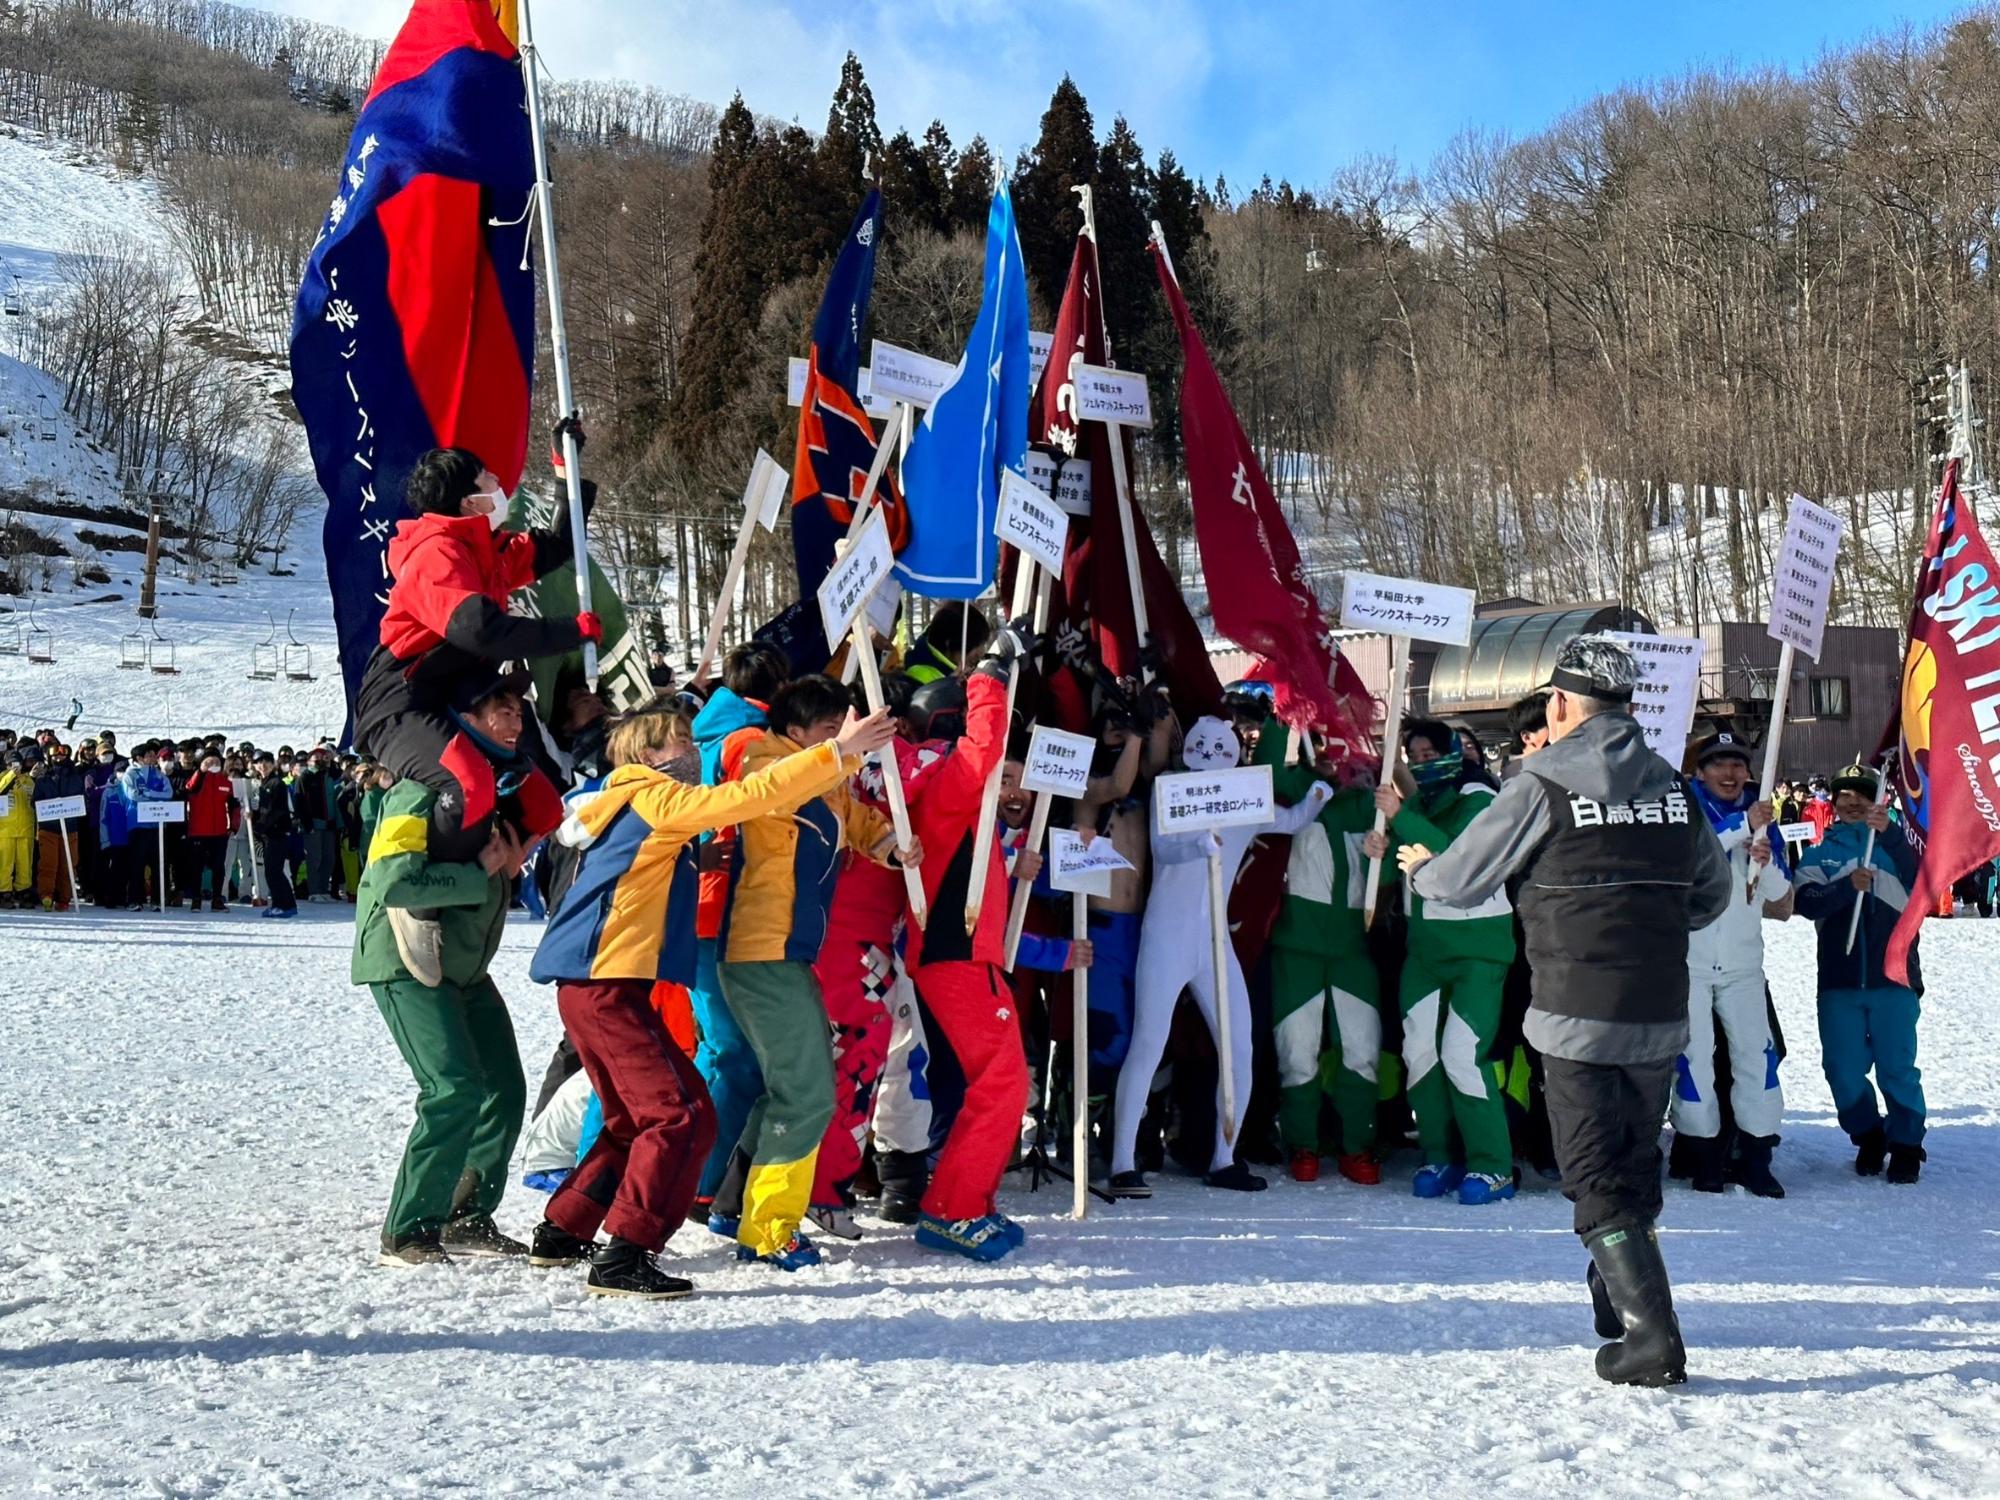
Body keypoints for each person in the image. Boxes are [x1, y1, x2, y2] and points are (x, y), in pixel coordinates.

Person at [1397, 634, 1730, 1387]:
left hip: (1575, 1011)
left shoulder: (1540, 783)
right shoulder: (1673, 786)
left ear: (1560, 703)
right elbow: (1709, 896)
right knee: (1634, 1162)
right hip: (1658, 1009)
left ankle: (1653, 1341)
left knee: (1591, 1174)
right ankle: (1616, 1301)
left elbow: (1458, 880)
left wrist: (1422, 869)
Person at [526, 697, 899, 1297]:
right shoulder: (653, 794)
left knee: (635, 1118)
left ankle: (565, 1230)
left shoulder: (626, 806)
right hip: (606, 988)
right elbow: (749, 797)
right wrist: (837, 753)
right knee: (680, 1115)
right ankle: (626, 1253)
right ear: (648, 754)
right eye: (680, 742)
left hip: (599, 988)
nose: (693, 752)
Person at [708, 675, 918, 1269]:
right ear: (796, 730)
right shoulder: (764, 761)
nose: (840, 740)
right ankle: (769, 1228)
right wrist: (840, 750)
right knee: (808, 1095)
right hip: (761, 949)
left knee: (791, 1086)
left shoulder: (822, 777)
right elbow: (779, 791)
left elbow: (852, 817)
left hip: (787, 952)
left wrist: (891, 845)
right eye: (828, 728)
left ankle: (735, 1206)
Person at [353, 672, 544, 1268]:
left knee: (504, 1091)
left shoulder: (492, 793)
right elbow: (393, 882)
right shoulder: (419, 790)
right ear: (464, 719)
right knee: (453, 1088)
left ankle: (466, 1214)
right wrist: (480, 874)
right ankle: (409, 1228)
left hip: (463, 967)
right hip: (405, 961)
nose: (514, 722)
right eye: (499, 710)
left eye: (518, 712)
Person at [352, 432, 600, 862]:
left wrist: (567, 469)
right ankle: (441, 886)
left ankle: (504, 875)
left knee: (543, 805)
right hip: (403, 702)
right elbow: (481, 631)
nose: (498, 483)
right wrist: (570, 632)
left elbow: (558, 545)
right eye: (488, 480)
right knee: (468, 783)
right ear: (469, 501)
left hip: (459, 694)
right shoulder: (436, 553)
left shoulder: (485, 550)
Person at [1111, 716, 1332, 1197]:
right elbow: (1164, 850)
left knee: (1240, 1046)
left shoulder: (1244, 797)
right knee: (1149, 1042)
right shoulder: (1173, 789)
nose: (1212, 751)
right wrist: (1196, 843)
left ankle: (1224, 1156)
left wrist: (1318, 795)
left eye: (1222, 745)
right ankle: (1123, 1160)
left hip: (1214, 941)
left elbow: (1290, 821)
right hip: (1166, 936)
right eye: (1204, 744)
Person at [896, 621, 1045, 1259]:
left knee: (1001, 1079)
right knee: (1004, 1080)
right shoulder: (946, 783)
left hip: (965, 949)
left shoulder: (950, 793)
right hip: (954, 951)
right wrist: (990, 674)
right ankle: (952, 1208)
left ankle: (963, 1200)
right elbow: (984, 749)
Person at [1369, 718, 1518, 1204]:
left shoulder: (1482, 799)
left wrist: (1401, 818)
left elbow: (1458, 854)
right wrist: (1381, 845)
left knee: (1461, 1053)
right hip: (1426, 952)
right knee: (1420, 1055)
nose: (1423, 764)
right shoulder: (1421, 802)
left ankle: (1492, 1164)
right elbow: (1407, 849)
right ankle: (1439, 1153)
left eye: (1431, 754)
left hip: (1478, 949)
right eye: (1417, 757)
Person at [1253, 721, 1384, 1185]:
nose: (1334, 756)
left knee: (1362, 1051)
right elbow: (1258, 779)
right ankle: (1302, 1142)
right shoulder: (1294, 786)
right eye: (1324, 744)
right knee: (1297, 1052)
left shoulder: (1370, 803)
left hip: (1352, 949)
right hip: (1296, 947)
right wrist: (1280, 718)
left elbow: (1387, 881)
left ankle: (1358, 1146)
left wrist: (1381, 857)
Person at [687, 642, 789, 1216]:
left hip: (701, 904)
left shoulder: (706, 730)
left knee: (719, 1049)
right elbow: (766, 814)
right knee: (734, 1055)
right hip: (721, 908)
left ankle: (693, 1171)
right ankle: (700, 1180)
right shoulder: (749, 742)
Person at [1792, 763, 1926, 1184]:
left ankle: (1906, 1143)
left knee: (1896, 1069)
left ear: (1877, 803)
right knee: (1842, 1071)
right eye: (1844, 798)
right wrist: (1846, 886)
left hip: (1894, 978)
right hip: (1839, 981)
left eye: (1862, 798)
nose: (1852, 804)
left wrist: (1890, 835)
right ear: (1833, 805)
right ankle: (1869, 1133)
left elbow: (1925, 881)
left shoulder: (1894, 849)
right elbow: (1806, 902)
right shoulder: (1818, 853)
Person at [1674, 731, 1790, 1196]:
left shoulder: (1762, 821)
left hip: (1743, 966)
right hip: (1689, 964)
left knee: (1756, 1058)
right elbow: (1687, 866)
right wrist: (1741, 827)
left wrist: (1767, 860)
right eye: (1719, 764)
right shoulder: (1685, 811)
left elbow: (1781, 900)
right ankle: (1703, 1158)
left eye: (1738, 764)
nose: (1730, 773)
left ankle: (1757, 1156)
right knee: (1693, 1061)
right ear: (1699, 772)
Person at [249, 751, 298, 919]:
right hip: (268, 833)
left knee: (273, 871)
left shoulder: (277, 783)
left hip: (277, 832)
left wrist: (259, 826)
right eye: (259, 762)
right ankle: (287, 904)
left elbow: (275, 811)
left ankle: (282, 904)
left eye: (266, 762)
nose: (263, 765)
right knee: (274, 870)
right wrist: (253, 817)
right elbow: (261, 809)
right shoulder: (261, 784)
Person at [902, 601, 991, 685]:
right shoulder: (919, 677)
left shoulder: (962, 671)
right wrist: (950, 686)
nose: (980, 653)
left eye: (983, 643)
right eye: (975, 644)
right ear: (949, 644)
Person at [0, 750, 35, 908]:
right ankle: (4, 893)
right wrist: (11, 775)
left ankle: (23, 892)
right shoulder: (2, 777)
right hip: (5, 830)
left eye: (17, 764)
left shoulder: (29, 780)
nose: (15, 767)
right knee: (5, 864)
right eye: (11, 764)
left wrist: (34, 777)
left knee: (24, 864)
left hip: (25, 829)